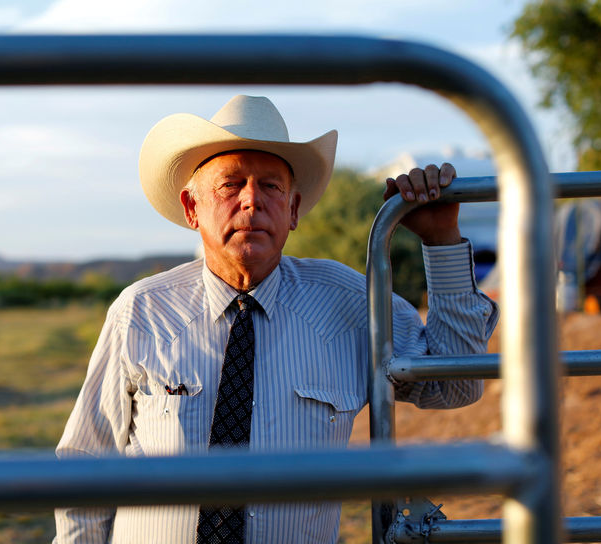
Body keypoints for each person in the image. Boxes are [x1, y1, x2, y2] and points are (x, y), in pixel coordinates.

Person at [53, 95, 498, 544]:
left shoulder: (349, 305)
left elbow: (456, 385)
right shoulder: (143, 312)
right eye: (230, 184)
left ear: (293, 210)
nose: (251, 201)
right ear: (192, 208)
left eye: (270, 186)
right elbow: (85, 465)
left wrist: (442, 240)